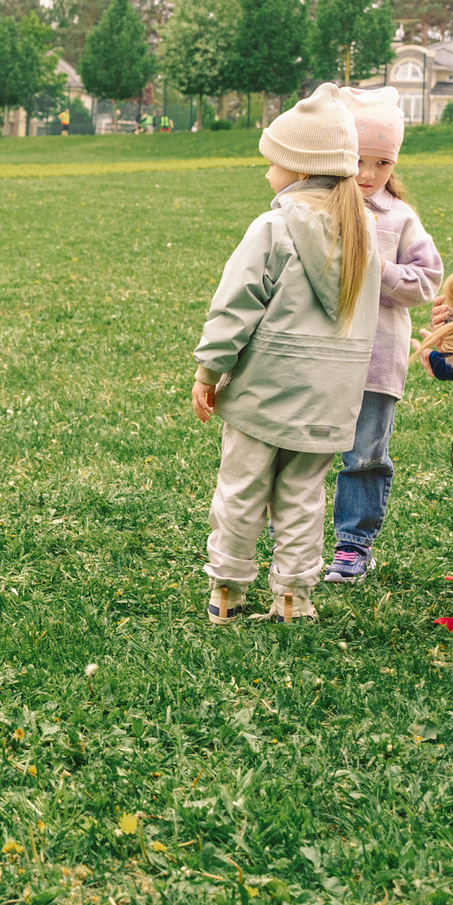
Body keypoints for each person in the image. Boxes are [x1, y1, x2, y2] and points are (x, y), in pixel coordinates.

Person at [191, 85, 379, 622]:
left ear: (298, 168)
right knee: (303, 496)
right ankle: (294, 599)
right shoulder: (364, 232)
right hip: (329, 399)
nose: (266, 173)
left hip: (263, 393)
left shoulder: (272, 228)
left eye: (272, 162)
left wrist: (209, 371)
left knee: (241, 491)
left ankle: (226, 593)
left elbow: (234, 308)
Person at [322, 92, 443, 583]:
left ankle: (353, 545)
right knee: (304, 448)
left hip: (376, 359)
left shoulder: (399, 217)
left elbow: (428, 280)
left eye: (382, 163)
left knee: (364, 455)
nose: (368, 173)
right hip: (320, 357)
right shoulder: (316, 209)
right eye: (357, 161)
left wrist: (379, 271)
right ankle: (294, 537)